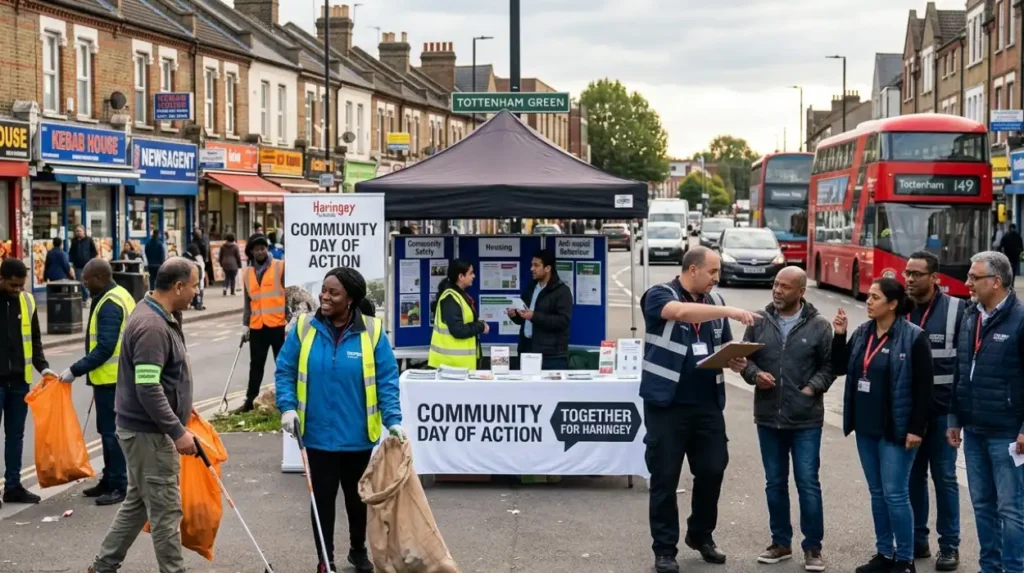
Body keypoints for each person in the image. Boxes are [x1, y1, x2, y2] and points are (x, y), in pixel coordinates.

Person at [275, 267, 404, 573]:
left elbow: (386, 379)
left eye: (333, 292)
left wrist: (393, 419)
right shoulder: (305, 328)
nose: (324, 297)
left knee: (357, 500)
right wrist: (287, 407)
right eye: (324, 290)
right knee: (321, 501)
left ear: (350, 299)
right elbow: (285, 371)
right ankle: (325, 559)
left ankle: (357, 549)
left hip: (356, 435)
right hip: (316, 435)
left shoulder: (371, 332)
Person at [640, 246, 758, 573]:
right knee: (664, 478)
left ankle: (700, 533)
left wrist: (735, 361)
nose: (716, 279)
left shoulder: (715, 302)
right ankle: (664, 549)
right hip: (667, 405)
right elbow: (681, 313)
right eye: (712, 272)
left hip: (707, 404)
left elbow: (722, 347)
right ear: (693, 270)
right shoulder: (658, 295)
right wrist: (730, 312)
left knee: (712, 469)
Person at [90, 258, 198, 573]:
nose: (195, 292)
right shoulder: (152, 326)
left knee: (137, 504)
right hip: (149, 434)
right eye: (193, 285)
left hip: (142, 431)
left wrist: (181, 408)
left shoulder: (161, 314)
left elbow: (163, 379)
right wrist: (177, 432)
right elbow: (148, 388)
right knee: (166, 511)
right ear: (178, 286)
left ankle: (103, 566)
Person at [833, 278, 933, 573]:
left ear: (892, 304)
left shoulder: (914, 337)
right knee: (877, 492)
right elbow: (840, 366)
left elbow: (924, 388)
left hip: (897, 430)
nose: (869, 300)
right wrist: (839, 335)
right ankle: (883, 553)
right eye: (869, 296)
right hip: (865, 426)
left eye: (875, 297)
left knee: (895, 493)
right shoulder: (863, 332)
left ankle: (904, 559)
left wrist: (916, 428)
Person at [740, 266, 834, 572]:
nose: (778, 291)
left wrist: (812, 388)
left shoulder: (820, 326)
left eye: (785, 287)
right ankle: (780, 542)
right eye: (776, 285)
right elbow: (744, 360)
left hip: (805, 419)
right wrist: (754, 375)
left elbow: (830, 367)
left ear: (801, 292)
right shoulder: (757, 321)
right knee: (774, 483)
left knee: (808, 483)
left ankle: (813, 548)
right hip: (768, 417)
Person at [947, 251, 1024, 573]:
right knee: (982, 505)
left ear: (996, 281)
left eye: (973, 278)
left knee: (1011, 509)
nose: (967, 284)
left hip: (1007, 431)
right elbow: (959, 369)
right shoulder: (971, 316)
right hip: (974, 429)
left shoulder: (1020, 319)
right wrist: (954, 418)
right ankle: (989, 567)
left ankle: (1014, 568)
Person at [902, 251, 964, 569]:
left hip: (942, 414)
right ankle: (916, 539)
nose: (910, 279)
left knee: (944, 478)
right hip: (910, 415)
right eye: (907, 273)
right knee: (913, 478)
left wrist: (958, 414)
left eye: (917, 274)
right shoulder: (900, 308)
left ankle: (949, 545)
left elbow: (963, 365)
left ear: (935, 277)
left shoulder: (957, 310)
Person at [60, 259, 136, 506]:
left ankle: (119, 484)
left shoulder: (111, 303)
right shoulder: (114, 295)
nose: (84, 284)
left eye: (87, 280)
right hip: (109, 379)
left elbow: (105, 347)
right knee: (107, 433)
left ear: (101, 278)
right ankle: (109, 479)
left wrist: (75, 370)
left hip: (113, 380)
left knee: (112, 435)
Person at [0, 258, 54, 508]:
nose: (18, 290)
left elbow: (34, 340)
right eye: (13, 285)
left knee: (16, 436)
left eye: (21, 285)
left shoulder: (28, 301)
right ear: (1, 279)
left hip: (18, 383)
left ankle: (13, 487)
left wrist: (44, 368)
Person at [238, 235, 286, 413]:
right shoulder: (247, 273)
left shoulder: (280, 267)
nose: (260, 251)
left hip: (278, 325)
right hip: (257, 326)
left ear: (268, 249)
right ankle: (250, 401)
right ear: (251, 251)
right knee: (256, 366)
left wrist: (289, 320)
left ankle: (285, 402)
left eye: (263, 248)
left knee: (282, 365)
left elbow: (289, 294)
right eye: (257, 249)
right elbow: (247, 301)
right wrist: (245, 325)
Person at [506, 250, 573, 369]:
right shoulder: (531, 287)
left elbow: (563, 321)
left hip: (550, 355)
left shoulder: (562, 291)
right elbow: (524, 318)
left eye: (536, 265)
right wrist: (514, 315)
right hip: (526, 349)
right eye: (532, 265)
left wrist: (534, 316)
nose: (532, 269)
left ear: (548, 268)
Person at [428, 260, 488, 369]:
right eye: (471, 273)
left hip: (458, 365)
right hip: (451, 366)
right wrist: (481, 326)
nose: (474, 276)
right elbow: (458, 330)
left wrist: (479, 324)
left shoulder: (459, 295)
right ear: (461, 276)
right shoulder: (450, 298)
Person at [70, 224, 99, 301]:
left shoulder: (89, 240)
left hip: (87, 266)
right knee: (79, 282)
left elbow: (95, 252)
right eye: (77, 231)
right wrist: (72, 263)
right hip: (78, 266)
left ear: (84, 232)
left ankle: (88, 296)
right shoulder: (74, 241)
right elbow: (71, 252)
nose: (78, 233)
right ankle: (86, 296)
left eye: (80, 231)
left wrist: (91, 260)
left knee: (88, 282)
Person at [184, 243, 206, 311]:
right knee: (198, 289)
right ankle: (198, 304)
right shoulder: (198, 258)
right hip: (197, 275)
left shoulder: (186, 255)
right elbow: (201, 267)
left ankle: (192, 303)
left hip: (189, 276)